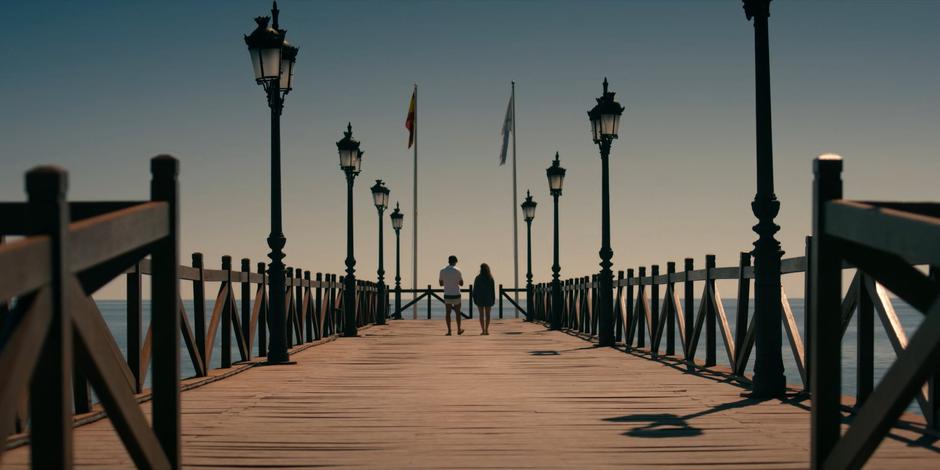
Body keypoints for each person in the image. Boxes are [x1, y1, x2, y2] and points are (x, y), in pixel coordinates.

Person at [439, 255, 464, 335]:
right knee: (458, 313)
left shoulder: (442, 270)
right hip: (456, 293)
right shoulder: (458, 270)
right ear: (455, 261)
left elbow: (441, 284)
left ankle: (449, 331)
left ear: (448, 261)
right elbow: (461, 283)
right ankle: (459, 329)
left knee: (448, 313)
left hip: (447, 294)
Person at [472, 263, 495, 335]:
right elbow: (492, 290)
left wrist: (474, 298)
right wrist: (493, 299)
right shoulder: (490, 278)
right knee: (488, 315)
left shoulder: (478, 278)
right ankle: (487, 330)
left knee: (481, 315)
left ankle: (483, 330)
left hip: (480, 298)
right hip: (488, 298)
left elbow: (475, 289)